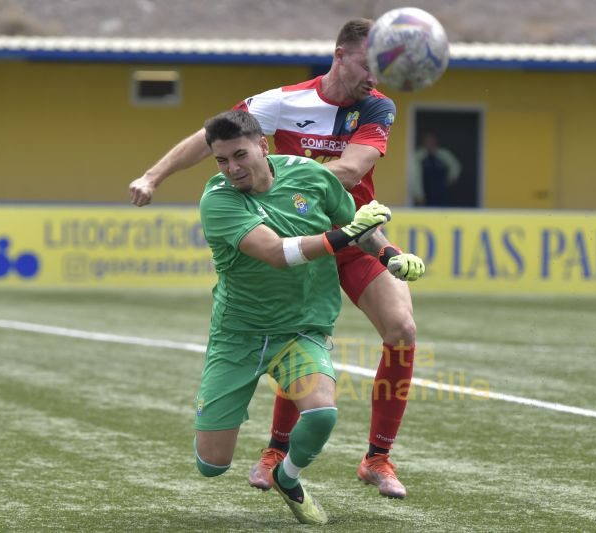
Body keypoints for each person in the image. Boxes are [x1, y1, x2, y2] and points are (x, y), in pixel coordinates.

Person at [129, 19, 424, 499]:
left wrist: (377, 241)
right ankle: (276, 451)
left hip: (353, 232)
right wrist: (153, 175)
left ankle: (377, 458)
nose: (377, 76)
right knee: (292, 330)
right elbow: (213, 138)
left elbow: (350, 171)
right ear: (340, 55)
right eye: (371, 63)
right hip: (300, 238)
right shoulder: (283, 101)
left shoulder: (377, 106)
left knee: (403, 329)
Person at [195, 110, 395, 525]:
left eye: (239, 155)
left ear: (262, 146)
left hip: (300, 330)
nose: (232, 168)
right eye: (221, 160)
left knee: (322, 413)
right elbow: (277, 253)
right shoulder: (218, 200)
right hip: (238, 337)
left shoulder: (309, 176)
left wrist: (391, 255)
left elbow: (357, 224)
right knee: (211, 465)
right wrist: (347, 235)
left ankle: (289, 477)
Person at [410, 131, 462, 207]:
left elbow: (456, 166)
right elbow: (415, 176)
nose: (429, 143)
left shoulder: (443, 154)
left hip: (442, 193)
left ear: (436, 141)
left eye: (431, 140)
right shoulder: (418, 157)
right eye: (427, 141)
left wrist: (451, 178)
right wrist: (419, 194)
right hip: (426, 195)